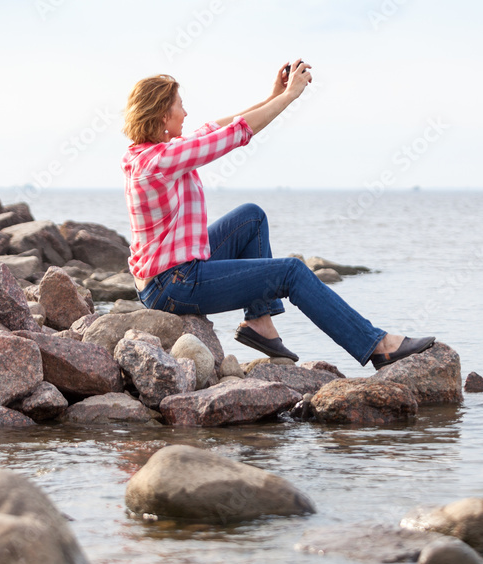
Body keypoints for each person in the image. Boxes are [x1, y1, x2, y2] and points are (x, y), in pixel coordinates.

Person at [121, 60, 434, 369]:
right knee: (291, 272)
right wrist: (289, 98)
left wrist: (272, 97)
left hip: (167, 276)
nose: (186, 113)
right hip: (174, 284)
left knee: (251, 218)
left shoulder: (149, 153)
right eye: (180, 105)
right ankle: (377, 345)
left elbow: (213, 129)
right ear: (163, 113)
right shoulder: (160, 160)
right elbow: (231, 136)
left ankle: (259, 324)